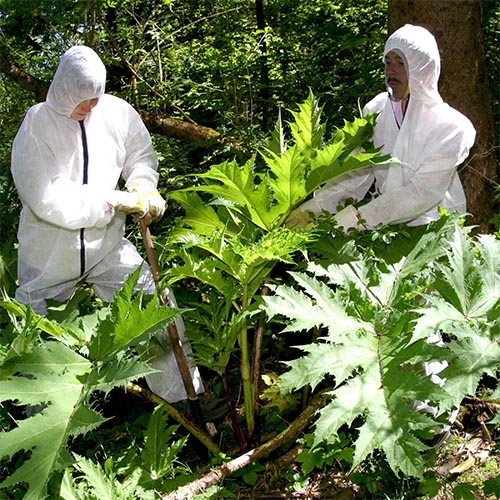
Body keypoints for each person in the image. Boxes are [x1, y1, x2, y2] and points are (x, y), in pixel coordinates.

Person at [10, 45, 204, 406]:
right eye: (80, 100)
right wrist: (112, 200)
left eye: (94, 98)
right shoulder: (38, 124)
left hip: (107, 246)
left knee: (153, 306)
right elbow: (45, 197)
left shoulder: (116, 112)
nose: (89, 108)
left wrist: (143, 185)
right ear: (61, 91)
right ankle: (41, 426)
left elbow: (140, 155)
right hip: (48, 256)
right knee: (37, 344)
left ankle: (186, 398)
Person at [288, 24, 476, 231]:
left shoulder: (451, 127)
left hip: (433, 227)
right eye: (387, 62)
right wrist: (313, 209)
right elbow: (357, 171)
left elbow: (421, 193)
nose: (391, 71)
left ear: (423, 68)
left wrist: (355, 220)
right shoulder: (376, 110)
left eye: (401, 63)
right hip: (383, 226)